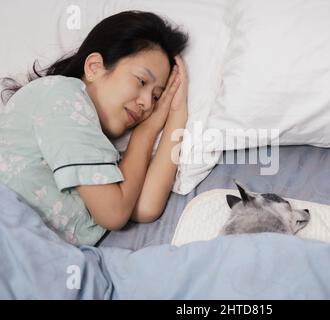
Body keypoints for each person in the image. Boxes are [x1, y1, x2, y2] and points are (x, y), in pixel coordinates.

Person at [0, 10, 189, 246]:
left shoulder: (96, 149)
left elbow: (144, 206)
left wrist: (177, 113)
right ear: (94, 67)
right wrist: (144, 134)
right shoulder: (60, 95)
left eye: (156, 96)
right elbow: (114, 212)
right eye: (141, 81)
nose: (147, 103)